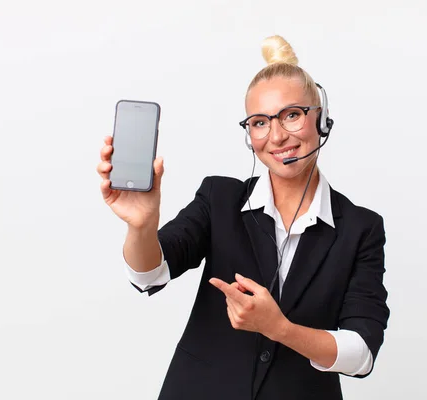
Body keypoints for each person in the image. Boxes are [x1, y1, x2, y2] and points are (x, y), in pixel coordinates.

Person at [97, 35, 389, 400]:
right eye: (260, 122)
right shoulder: (220, 199)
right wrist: (141, 226)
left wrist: (279, 328)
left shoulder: (361, 228)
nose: (278, 136)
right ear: (249, 135)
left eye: (292, 115)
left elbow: (361, 353)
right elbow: (149, 274)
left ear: (322, 120)